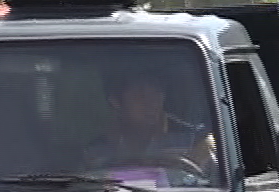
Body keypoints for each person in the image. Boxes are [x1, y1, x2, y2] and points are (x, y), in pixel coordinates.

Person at [84, 72, 218, 181]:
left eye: (157, 94)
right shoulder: (99, 150)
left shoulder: (196, 142)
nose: (152, 103)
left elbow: (210, 190)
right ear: (116, 102)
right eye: (141, 96)